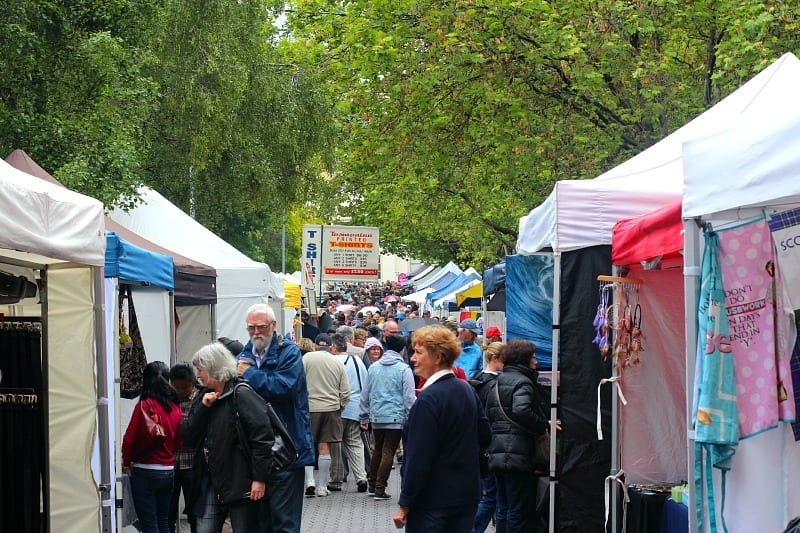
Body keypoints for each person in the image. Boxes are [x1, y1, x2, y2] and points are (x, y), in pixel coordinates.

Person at [393, 325, 491, 531]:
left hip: (433, 499)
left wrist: (405, 503)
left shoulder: (428, 400)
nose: (413, 358)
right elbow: (485, 436)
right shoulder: (466, 389)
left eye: (419, 352)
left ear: (437, 357)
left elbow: (419, 456)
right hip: (466, 494)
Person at [236, 303, 315, 533]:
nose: (255, 332)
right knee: (261, 523)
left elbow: (283, 387)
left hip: (286, 448)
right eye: (251, 328)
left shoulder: (288, 352)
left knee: (284, 523)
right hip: (256, 449)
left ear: (273, 325)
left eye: (260, 327)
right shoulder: (244, 353)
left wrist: (249, 374)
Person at [181, 343, 275, 533]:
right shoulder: (203, 395)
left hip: (240, 482)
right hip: (210, 481)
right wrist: (202, 409)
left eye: (200, 370)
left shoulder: (241, 393)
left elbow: (262, 438)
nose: (197, 375)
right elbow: (188, 436)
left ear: (214, 369)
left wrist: (259, 478)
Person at [484, 339, 548, 533]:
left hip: (497, 451)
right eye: (533, 357)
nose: (536, 361)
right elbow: (522, 411)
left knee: (503, 507)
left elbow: (489, 415)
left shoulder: (497, 381)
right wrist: (541, 426)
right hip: (517, 453)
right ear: (524, 360)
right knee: (517, 510)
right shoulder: (523, 382)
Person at [122, 361, 184, 533]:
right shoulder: (175, 406)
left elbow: (129, 439)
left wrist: (126, 464)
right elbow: (179, 442)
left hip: (144, 470)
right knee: (163, 521)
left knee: (149, 523)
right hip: (168, 470)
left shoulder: (144, 405)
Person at [359, 333, 416, 500]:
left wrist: (363, 416)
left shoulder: (373, 367)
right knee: (388, 451)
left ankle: (372, 484)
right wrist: (411, 417)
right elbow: (408, 398)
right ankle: (379, 488)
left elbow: (365, 394)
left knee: (377, 449)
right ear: (402, 349)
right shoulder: (403, 369)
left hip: (376, 416)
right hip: (395, 417)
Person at [302, 334, 350, 496]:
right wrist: (340, 406)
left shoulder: (307, 358)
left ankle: (309, 481)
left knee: (308, 446)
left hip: (309, 407)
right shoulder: (337, 362)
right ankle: (322, 487)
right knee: (324, 448)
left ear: (315, 345)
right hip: (331, 409)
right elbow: (345, 391)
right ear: (330, 346)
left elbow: (298, 382)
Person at [468, 342, 505, 533]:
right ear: (495, 359)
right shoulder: (495, 384)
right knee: (492, 496)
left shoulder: (475, 380)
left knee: (487, 494)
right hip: (491, 443)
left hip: (477, 444)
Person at [331, 332, 370, 493]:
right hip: (355, 407)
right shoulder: (357, 360)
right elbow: (365, 384)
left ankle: (336, 480)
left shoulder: (331, 362)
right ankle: (361, 477)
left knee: (336, 444)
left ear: (333, 347)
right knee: (355, 443)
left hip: (337, 408)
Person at [169, 363, 200, 533]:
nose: (181, 391)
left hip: (193, 464)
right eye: (177, 387)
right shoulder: (167, 399)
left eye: (185, 387)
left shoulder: (200, 399)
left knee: (194, 510)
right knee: (168, 510)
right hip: (171, 463)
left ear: (193, 382)